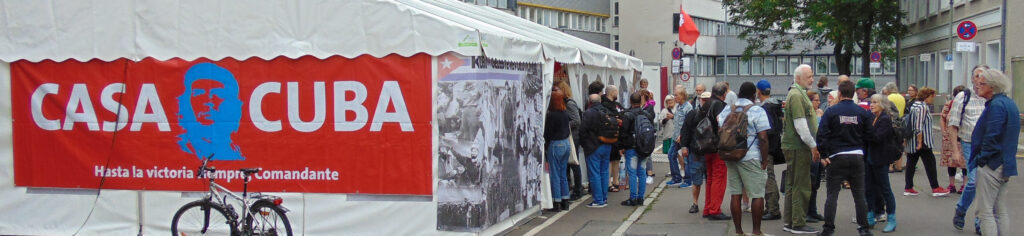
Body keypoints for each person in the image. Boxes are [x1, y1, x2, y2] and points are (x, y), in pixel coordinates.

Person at [814, 80, 873, 236]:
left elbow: (821, 134)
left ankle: (828, 229)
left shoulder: (831, 112)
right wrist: (863, 153)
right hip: (857, 156)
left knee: (832, 194)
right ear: (853, 93)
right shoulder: (862, 112)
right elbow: (870, 135)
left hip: (836, 157)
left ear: (839, 93)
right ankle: (864, 229)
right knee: (859, 194)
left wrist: (824, 154)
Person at [718, 82, 772, 236]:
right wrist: (764, 159)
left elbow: (720, 128)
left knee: (736, 194)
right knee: (757, 194)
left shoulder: (728, 109)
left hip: (731, 155)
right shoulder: (757, 110)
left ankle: (739, 232)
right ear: (753, 95)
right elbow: (763, 137)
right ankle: (756, 232)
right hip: (750, 156)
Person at [970, 69, 1020, 235]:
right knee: (1000, 209)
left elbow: (992, 136)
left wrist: (981, 160)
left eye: (982, 83)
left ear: (992, 86)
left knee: (986, 211)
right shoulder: (1009, 103)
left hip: (992, 163)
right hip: (1005, 162)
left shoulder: (996, 105)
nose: (978, 86)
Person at [781, 64, 821, 234]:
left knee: (793, 184)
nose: (812, 79)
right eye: (809, 76)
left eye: (812, 76)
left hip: (796, 146)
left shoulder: (797, 93)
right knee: (801, 185)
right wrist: (813, 145)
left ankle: (791, 221)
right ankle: (798, 223)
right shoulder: (797, 95)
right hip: (799, 147)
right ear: (798, 78)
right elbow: (800, 125)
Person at [950, 64, 990, 231]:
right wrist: (955, 150)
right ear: (972, 78)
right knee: (973, 181)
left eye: (983, 75)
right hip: (969, 143)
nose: (979, 79)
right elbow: (953, 125)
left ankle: (979, 220)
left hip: (988, 146)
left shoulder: (991, 97)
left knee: (985, 183)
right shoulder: (963, 96)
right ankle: (961, 209)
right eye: (977, 75)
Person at [177, 63, 246, 161]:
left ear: (233, 104)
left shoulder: (237, 152)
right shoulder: (182, 149)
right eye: (198, 93)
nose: (207, 101)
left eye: (217, 93)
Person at [681, 84, 729, 221]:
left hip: (704, 146)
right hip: (716, 146)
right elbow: (722, 124)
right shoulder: (719, 105)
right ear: (724, 94)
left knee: (711, 179)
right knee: (718, 178)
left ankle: (708, 208)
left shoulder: (706, 105)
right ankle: (715, 209)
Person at [903, 87, 951, 197]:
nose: (932, 99)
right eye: (932, 97)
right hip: (923, 141)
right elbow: (918, 125)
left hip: (913, 140)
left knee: (911, 163)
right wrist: (920, 142)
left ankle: (908, 187)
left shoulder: (914, 105)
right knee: (930, 163)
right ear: (927, 96)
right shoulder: (922, 107)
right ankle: (935, 187)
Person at [580, 85, 621, 208]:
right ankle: (604, 198)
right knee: (604, 172)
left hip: (593, 146)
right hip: (607, 144)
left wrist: (584, 144)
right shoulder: (607, 111)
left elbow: (583, 130)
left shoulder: (589, 113)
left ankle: (598, 200)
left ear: (589, 102)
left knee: (594, 174)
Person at [865, 94, 900, 233]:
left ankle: (891, 219)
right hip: (869, 158)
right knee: (869, 188)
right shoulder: (873, 117)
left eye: (875, 102)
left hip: (880, 159)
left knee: (885, 189)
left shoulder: (885, 119)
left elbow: (877, 138)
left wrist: (865, 132)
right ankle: (870, 215)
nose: (871, 105)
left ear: (882, 104)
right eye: (871, 102)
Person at [619, 92, 655, 206]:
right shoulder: (646, 114)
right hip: (644, 147)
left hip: (632, 147)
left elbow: (623, 132)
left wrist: (622, 147)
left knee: (632, 173)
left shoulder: (628, 115)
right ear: (641, 102)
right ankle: (641, 198)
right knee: (642, 172)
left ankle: (633, 198)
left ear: (630, 101)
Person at [756, 80, 784, 221]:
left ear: (758, 91)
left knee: (768, 178)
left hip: (768, 148)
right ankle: (771, 207)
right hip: (774, 146)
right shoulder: (776, 105)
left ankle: (773, 209)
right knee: (769, 177)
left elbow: (768, 130)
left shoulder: (765, 108)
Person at [680, 91, 710, 213]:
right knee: (696, 180)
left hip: (710, 152)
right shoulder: (693, 113)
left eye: (708, 100)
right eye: (704, 100)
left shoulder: (715, 114)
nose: (706, 102)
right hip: (696, 151)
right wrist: (684, 146)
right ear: (700, 100)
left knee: (711, 181)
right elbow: (685, 131)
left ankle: (709, 204)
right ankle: (695, 203)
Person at [544, 83, 573, 211]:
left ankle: (557, 201)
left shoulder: (551, 115)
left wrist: (546, 146)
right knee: (562, 173)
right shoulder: (564, 113)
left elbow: (548, 133)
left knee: (555, 174)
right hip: (566, 143)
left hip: (555, 144)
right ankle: (565, 200)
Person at [558, 81, 585, 201]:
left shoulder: (569, 103)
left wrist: (563, 125)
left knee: (574, 162)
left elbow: (577, 120)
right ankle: (571, 187)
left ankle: (578, 189)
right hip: (569, 136)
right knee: (569, 163)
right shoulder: (565, 103)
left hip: (572, 136)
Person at [940, 85, 968, 195]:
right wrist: (944, 131)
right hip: (950, 137)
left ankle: (964, 184)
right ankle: (952, 185)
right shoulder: (949, 104)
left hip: (962, 136)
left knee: (963, 162)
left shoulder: (967, 105)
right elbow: (943, 117)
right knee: (951, 162)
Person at [805, 90, 826, 224]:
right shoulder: (808, 115)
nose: (818, 103)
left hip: (818, 152)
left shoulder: (816, 113)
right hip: (810, 152)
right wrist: (819, 118)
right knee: (810, 183)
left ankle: (813, 210)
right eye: (816, 100)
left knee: (816, 184)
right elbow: (814, 131)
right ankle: (807, 212)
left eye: (819, 100)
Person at [666, 86, 693, 187]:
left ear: (682, 96)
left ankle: (688, 181)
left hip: (683, 138)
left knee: (686, 159)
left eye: (676, 95)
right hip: (676, 137)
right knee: (671, 155)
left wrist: (682, 136)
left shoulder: (688, 108)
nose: (674, 97)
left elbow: (689, 125)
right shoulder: (678, 107)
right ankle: (676, 178)